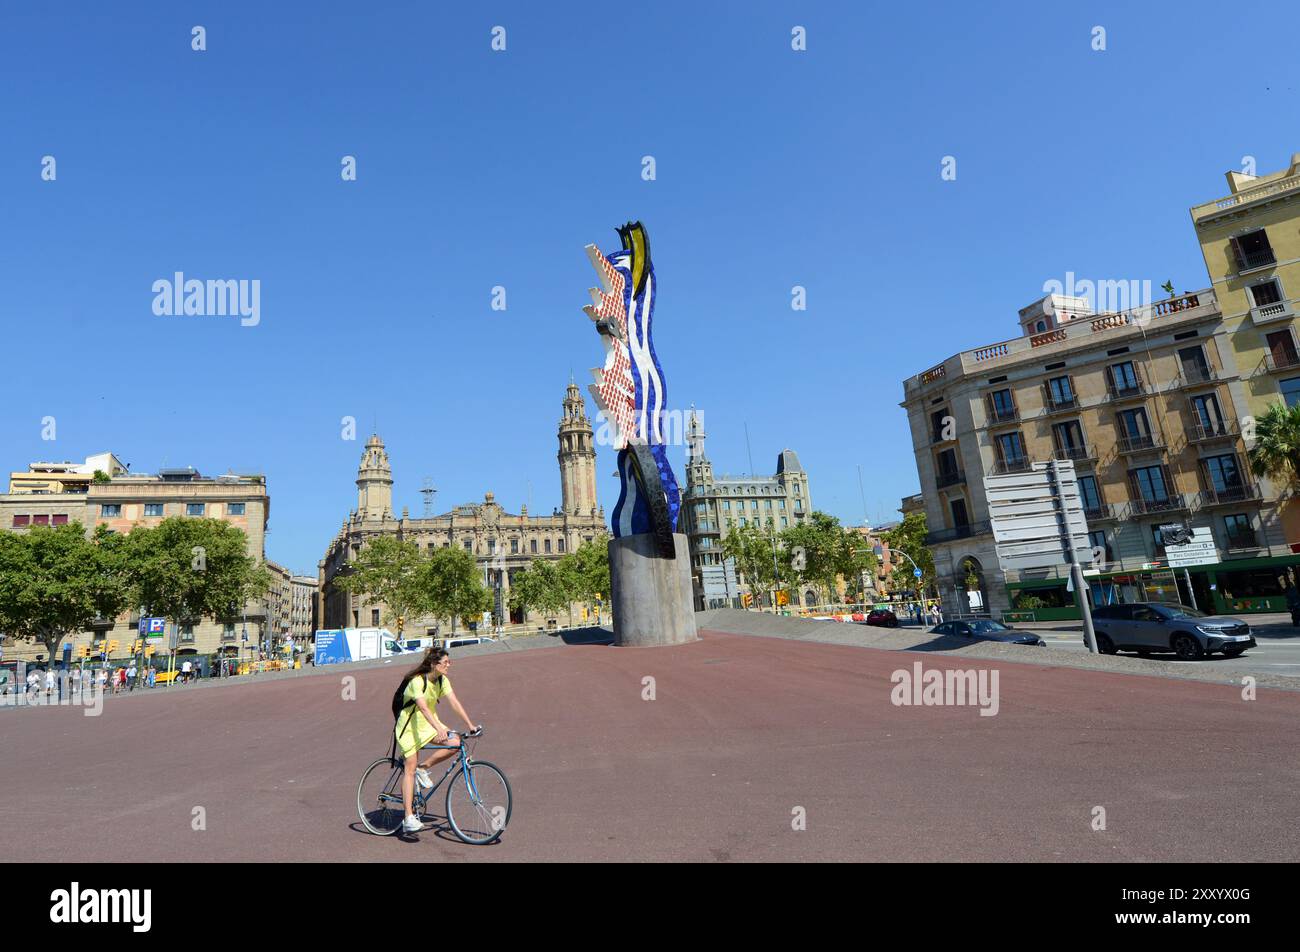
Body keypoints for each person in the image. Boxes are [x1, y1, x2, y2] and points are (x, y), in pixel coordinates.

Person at [394, 648, 479, 835]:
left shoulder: (442, 681)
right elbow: (423, 707)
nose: (449, 665)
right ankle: (408, 817)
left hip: (427, 724)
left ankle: (424, 768)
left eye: (449, 661)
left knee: (456, 743)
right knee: (410, 766)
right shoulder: (417, 681)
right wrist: (439, 728)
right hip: (408, 727)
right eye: (445, 662)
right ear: (434, 664)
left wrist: (471, 725)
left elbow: (454, 702)